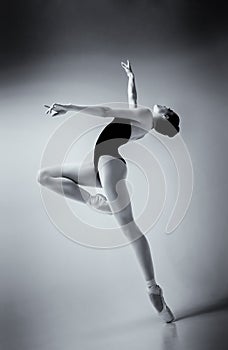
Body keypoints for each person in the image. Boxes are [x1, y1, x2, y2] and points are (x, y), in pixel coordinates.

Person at [38, 60, 180, 323]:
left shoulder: (147, 116)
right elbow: (132, 100)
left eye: (168, 109)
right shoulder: (144, 121)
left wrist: (68, 108)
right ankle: (94, 201)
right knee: (45, 176)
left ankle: (153, 289)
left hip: (109, 163)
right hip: (97, 164)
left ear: (164, 118)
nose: (164, 105)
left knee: (130, 229)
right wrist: (130, 76)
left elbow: (105, 111)